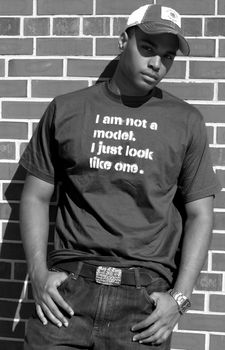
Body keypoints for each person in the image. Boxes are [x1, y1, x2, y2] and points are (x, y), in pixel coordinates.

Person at [19, 3, 220, 350]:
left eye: (168, 56)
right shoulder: (67, 109)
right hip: (67, 297)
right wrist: (38, 275)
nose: (157, 64)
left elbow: (201, 213)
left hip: (143, 306)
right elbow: (35, 195)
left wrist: (180, 301)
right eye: (147, 48)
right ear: (122, 41)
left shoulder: (186, 121)